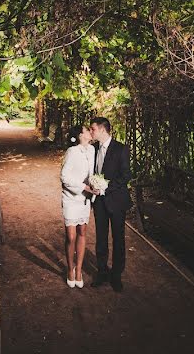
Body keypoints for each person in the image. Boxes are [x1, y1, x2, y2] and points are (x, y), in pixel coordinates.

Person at [88, 116, 132, 292]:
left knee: (118, 239)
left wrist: (106, 187)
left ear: (102, 130)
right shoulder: (93, 149)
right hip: (98, 202)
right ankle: (102, 272)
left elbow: (126, 175)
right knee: (100, 238)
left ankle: (116, 275)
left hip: (116, 200)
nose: (91, 132)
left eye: (93, 129)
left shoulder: (121, 149)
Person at [60, 124, 94, 288]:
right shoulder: (72, 152)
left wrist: (95, 185)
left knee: (82, 232)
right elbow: (64, 177)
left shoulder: (92, 150)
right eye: (87, 130)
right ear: (80, 135)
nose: (90, 132)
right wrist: (84, 187)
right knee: (71, 236)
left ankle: (79, 270)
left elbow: (93, 174)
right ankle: (69, 269)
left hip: (85, 200)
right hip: (71, 198)